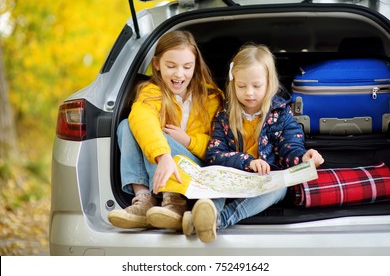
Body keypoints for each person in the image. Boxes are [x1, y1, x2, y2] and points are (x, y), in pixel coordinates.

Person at [182, 44, 324, 243]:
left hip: (265, 182)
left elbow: (289, 147)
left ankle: (216, 221)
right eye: (241, 86)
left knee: (279, 188)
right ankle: (206, 214)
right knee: (215, 182)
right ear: (233, 84)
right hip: (231, 179)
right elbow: (214, 154)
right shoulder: (225, 115)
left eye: (256, 86)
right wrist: (246, 162)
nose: (249, 93)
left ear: (269, 83)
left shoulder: (281, 114)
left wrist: (303, 157)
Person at [108, 30, 224, 231]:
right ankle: (144, 199)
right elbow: (142, 116)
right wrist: (163, 156)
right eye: (171, 66)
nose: (179, 74)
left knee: (157, 134)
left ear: (195, 66)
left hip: (197, 167)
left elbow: (220, 146)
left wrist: (188, 141)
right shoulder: (151, 92)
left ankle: (175, 202)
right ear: (157, 65)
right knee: (127, 125)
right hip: (164, 162)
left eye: (187, 67)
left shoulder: (211, 98)